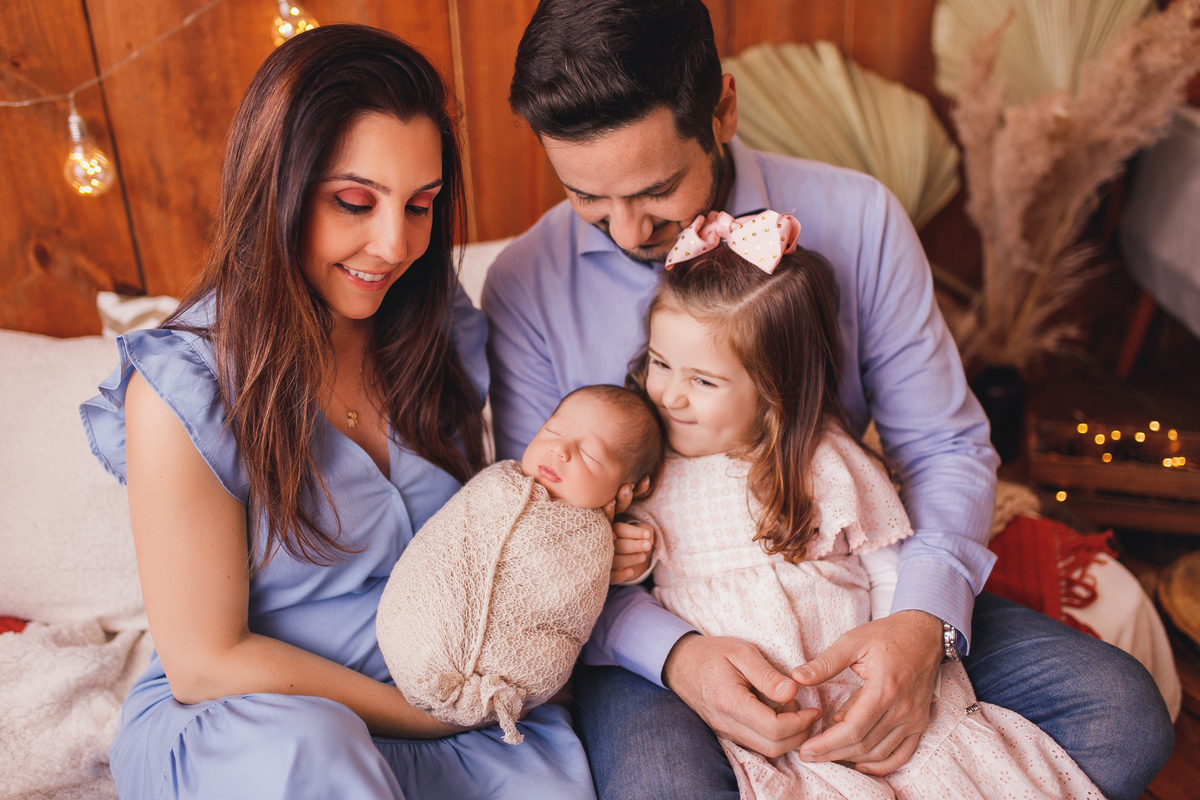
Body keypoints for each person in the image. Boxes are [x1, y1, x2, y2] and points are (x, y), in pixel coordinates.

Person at [483, 1, 1174, 798]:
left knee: (1124, 716)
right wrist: (676, 657)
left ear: (723, 111)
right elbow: (540, 532)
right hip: (660, 624)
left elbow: (943, 445)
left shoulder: (860, 217)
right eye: (587, 198)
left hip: (850, 587)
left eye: (655, 191)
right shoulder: (525, 285)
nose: (625, 228)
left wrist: (919, 625)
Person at [81, 24, 595, 800]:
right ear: (276, 189)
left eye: (421, 206)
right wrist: (425, 716)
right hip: (259, 721)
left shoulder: (434, 328)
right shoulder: (183, 384)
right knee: (314, 753)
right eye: (355, 202)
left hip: (449, 705)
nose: (393, 245)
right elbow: (205, 659)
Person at [626, 210, 1101, 798]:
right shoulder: (646, 471)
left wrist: (894, 647)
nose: (669, 393)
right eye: (660, 363)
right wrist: (629, 558)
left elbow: (882, 563)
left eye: (703, 381)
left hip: (854, 687)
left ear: (774, 392)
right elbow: (635, 577)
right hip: (749, 718)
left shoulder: (820, 461)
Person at [376, 385, 664, 746]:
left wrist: (609, 545)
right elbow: (448, 544)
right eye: (552, 431)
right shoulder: (500, 480)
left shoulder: (596, 538)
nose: (560, 449)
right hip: (409, 632)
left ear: (625, 489)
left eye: (589, 454)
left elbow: (565, 610)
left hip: (501, 688)